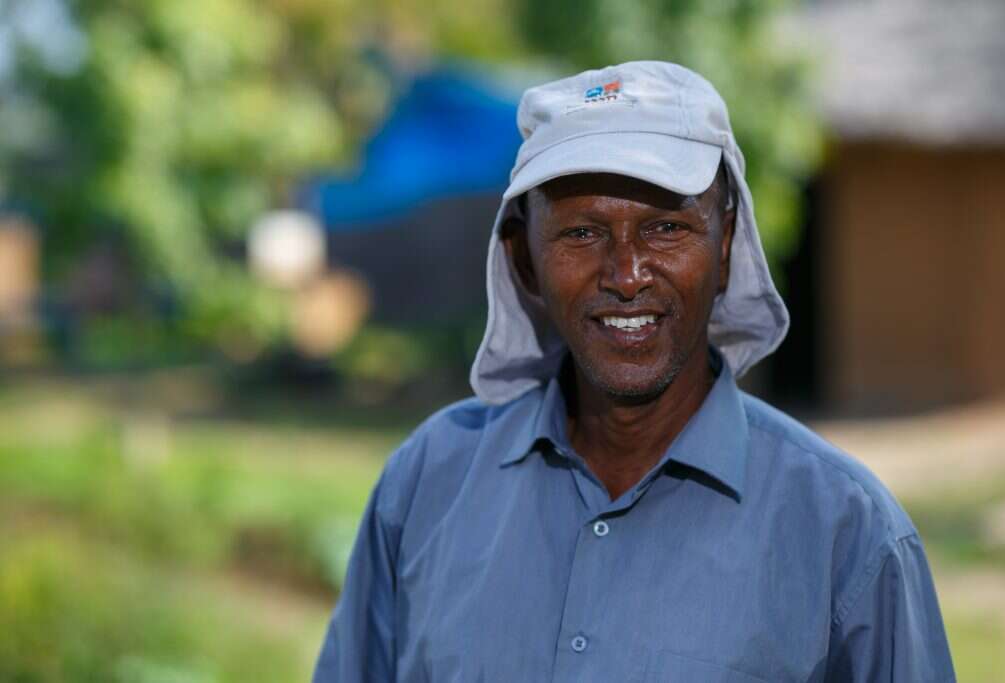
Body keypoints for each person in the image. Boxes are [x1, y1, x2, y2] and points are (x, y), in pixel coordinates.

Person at [312, 61, 956, 682]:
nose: (626, 276)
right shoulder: (428, 485)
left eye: (667, 228)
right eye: (582, 234)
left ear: (725, 245)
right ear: (524, 259)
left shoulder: (846, 533)